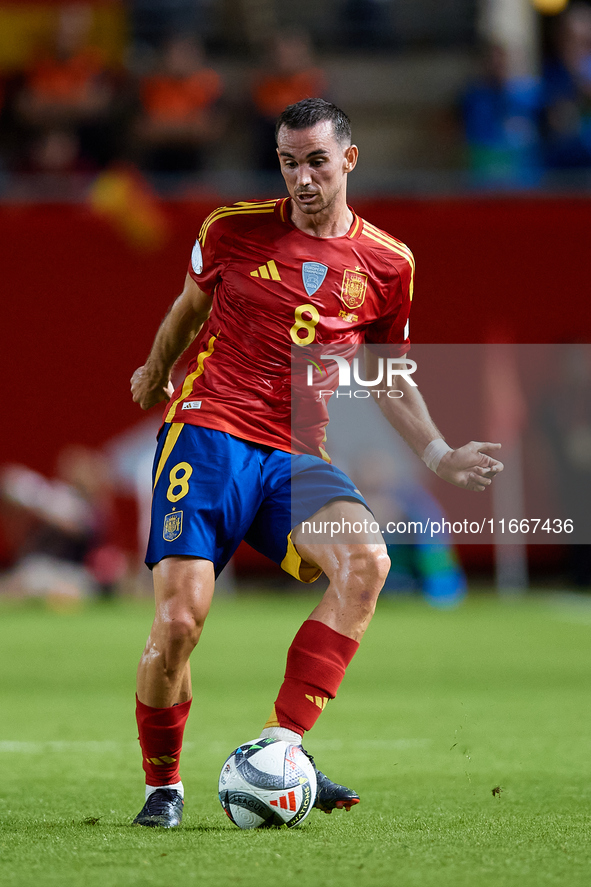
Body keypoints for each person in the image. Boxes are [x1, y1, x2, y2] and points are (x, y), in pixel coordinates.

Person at [130, 97, 503, 828]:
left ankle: (281, 747)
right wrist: (154, 370)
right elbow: (186, 311)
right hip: (208, 434)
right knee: (178, 623)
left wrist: (437, 451)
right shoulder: (231, 229)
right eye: (288, 161)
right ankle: (163, 785)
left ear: (349, 161)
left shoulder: (388, 264)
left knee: (367, 562)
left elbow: (388, 372)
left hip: (297, 452)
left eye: (316, 161)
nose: (301, 178)